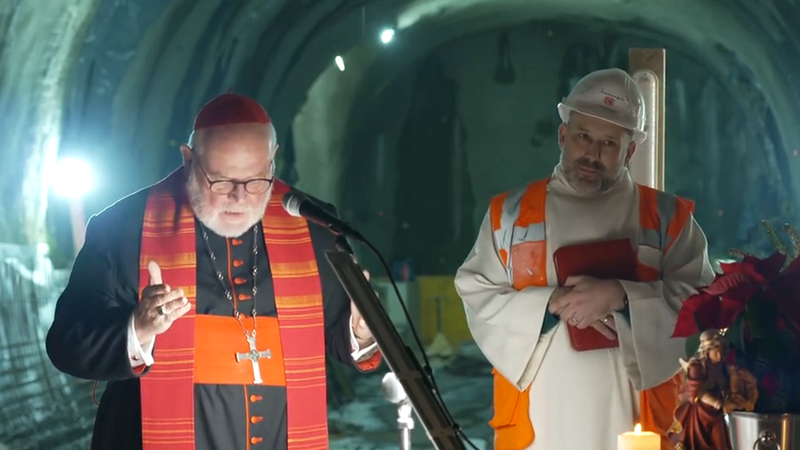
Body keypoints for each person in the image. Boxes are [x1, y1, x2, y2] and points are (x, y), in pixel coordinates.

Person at [45, 92, 382, 450]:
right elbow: (66, 344)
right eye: (221, 181)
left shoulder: (312, 225)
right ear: (189, 160)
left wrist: (360, 332)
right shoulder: (122, 229)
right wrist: (137, 328)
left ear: (272, 162)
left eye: (256, 181)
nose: (239, 198)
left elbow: (336, 336)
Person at [455, 68, 717, 450]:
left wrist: (622, 297)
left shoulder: (666, 218)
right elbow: (475, 292)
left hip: (635, 420)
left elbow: (705, 305)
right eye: (582, 137)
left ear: (630, 150)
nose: (592, 154)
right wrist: (549, 303)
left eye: (609, 143)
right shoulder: (509, 215)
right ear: (563, 135)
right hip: (540, 424)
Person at [669, 329, 758, 450]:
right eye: (716, 352)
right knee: (698, 443)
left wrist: (735, 378)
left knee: (720, 443)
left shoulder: (722, 368)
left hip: (717, 413)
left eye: (721, 351)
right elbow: (698, 392)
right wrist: (719, 404)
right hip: (700, 411)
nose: (720, 355)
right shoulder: (697, 368)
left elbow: (731, 391)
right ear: (707, 351)